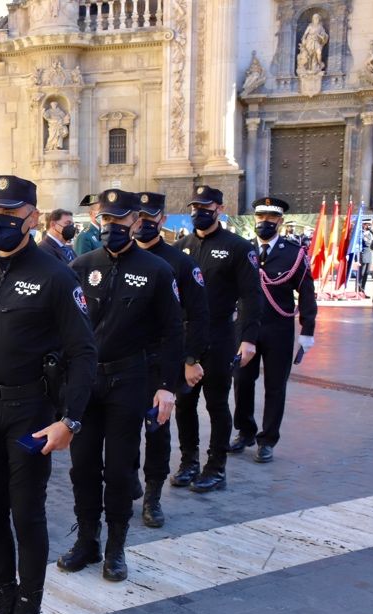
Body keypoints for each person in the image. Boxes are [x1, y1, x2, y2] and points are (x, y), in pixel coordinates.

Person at [0, 176, 96, 614]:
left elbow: (83, 353)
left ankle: (28, 610)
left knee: (25, 511)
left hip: (29, 415)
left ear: (32, 217)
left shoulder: (56, 275)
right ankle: (2, 602)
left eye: (9, 214)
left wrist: (70, 420)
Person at [59, 190, 182, 582]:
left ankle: (115, 547)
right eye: (106, 220)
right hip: (86, 382)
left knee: (118, 470)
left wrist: (167, 386)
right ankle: (87, 540)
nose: (112, 227)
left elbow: (172, 331)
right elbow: (63, 327)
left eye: (120, 220)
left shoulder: (157, 269)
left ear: (136, 221)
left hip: (130, 379)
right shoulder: (81, 265)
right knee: (82, 467)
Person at [172, 185, 260, 493]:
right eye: (195, 206)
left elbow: (251, 295)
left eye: (205, 206)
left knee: (217, 404)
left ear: (219, 209)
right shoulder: (180, 246)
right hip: (186, 336)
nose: (199, 211)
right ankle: (188, 461)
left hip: (220, 334)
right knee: (183, 402)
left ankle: (216, 466)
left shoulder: (239, 247)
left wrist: (248, 338)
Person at [132, 192, 209, 527]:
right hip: (123, 364)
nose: (144, 224)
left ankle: (153, 496)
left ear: (162, 220)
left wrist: (189, 360)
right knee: (121, 432)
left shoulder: (179, 262)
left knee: (157, 432)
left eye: (151, 218)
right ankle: (128, 483)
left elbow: (199, 315)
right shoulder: (120, 258)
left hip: (160, 364)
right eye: (139, 217)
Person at [230, 197, 317, 463]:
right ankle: (245, 431)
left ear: (280, 222)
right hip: (245, 328)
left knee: (275, 385)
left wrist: (307, 329)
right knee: (242, 381)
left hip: (278, 327)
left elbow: (306, 292)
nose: (264, 223)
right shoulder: (244, 250)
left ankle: (268, 439)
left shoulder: (294, 253)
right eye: (260, 218)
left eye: (270, 219)